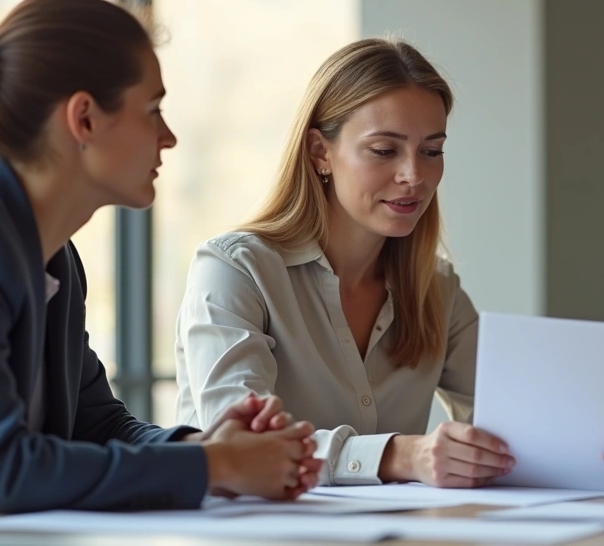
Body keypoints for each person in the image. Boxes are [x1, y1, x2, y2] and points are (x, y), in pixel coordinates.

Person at [0, 0, 320, 516]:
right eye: (152, 110)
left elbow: (98, 425)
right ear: (83, 119)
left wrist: (205, 447)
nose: (169, 137)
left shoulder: (53, 254)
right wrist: (219, 469)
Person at [174, 38, 514, 488]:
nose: (415, 175)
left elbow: (513, 421)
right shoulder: (236, 270)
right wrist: (400, 455)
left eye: (431, 151)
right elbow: (244, 444)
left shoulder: (436, 288)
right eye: (384, 150)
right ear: (320, 152)